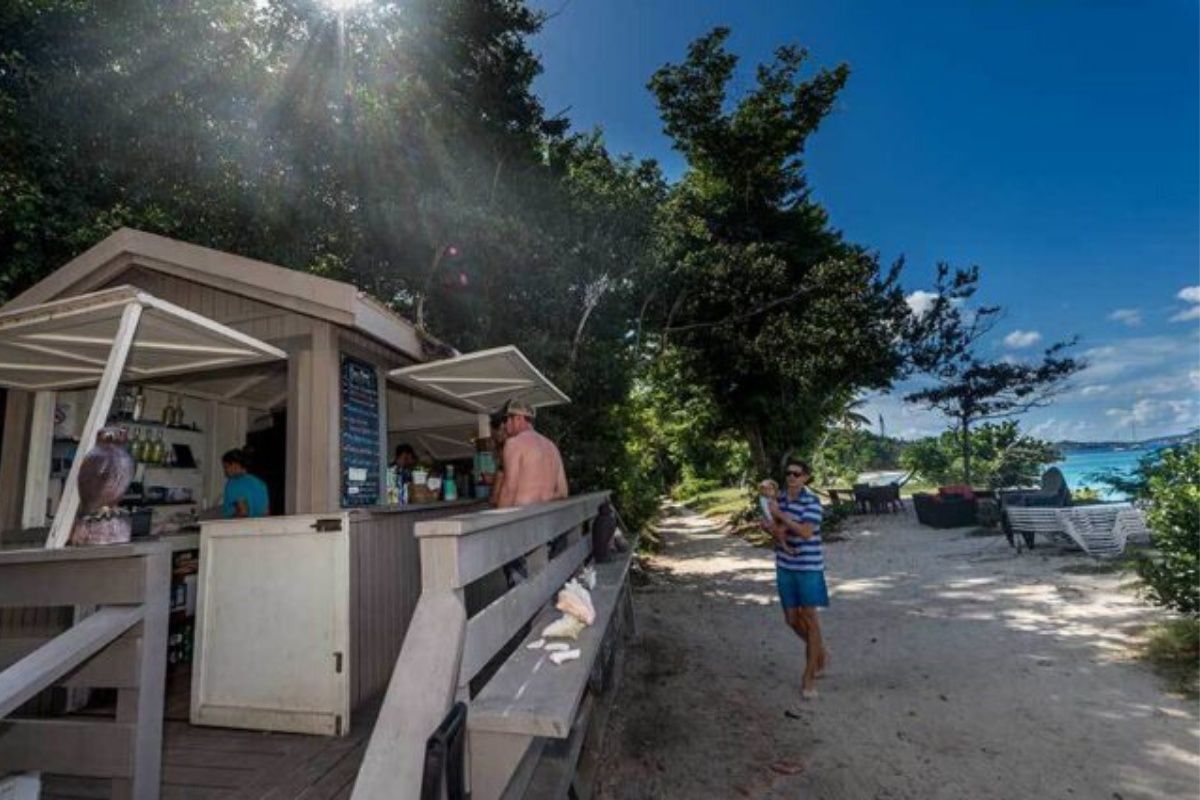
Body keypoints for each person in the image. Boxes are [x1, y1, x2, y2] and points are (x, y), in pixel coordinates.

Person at [764, 458, 828, 699]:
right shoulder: (776, 499)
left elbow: (805, 531)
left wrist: (781, 516)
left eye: (797, 474)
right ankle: (820, 651)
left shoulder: (812, 502)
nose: (791, 477)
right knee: (791, 619)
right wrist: (768, 526)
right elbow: (772, 525)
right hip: (785, 565)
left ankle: (809, 678)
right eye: (788, 473)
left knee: (810, 620)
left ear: (806, 478)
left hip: (808, 567)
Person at [495, 399, 568, 508]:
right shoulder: (552, 447)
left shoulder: (514, 443)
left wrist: (498, 520)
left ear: (518, 418)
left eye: (507, 419)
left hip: (522, 518)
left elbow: (509, 490)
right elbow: (563, 492)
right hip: (545, 517)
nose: (505, 425)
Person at [221, 448, 270, 518]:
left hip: (237, 527)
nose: (225, 471)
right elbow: (266, 512)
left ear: (235, 465)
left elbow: (243, 513)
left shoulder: (234, 483)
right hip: (259, 527)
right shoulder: (259, 482)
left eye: (226, 467)